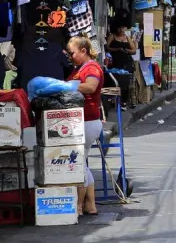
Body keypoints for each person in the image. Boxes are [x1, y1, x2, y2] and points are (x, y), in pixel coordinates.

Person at [66, 34, 105, 217]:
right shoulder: (80, 67)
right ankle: (91, 206)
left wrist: (67, 86)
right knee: (83, 163)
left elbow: (90, 87)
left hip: (87, 122)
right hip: (83, 121)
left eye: (72, 53)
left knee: (78, 164)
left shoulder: (91, 67)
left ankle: (79, 206)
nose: (70, 57)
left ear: (83, 51)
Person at [106, 22, 136, 111]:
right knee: (114, 81)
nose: (122, 30)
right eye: (120, 28)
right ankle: (112, 100)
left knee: (126, 83)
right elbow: (107, 47)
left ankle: (124, 102)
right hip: (115, 63)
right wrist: (117, 49)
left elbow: (134, 50)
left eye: (123, 28)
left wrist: (127, 50)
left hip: (127, 63)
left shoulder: (127, 38)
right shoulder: (112, 36)